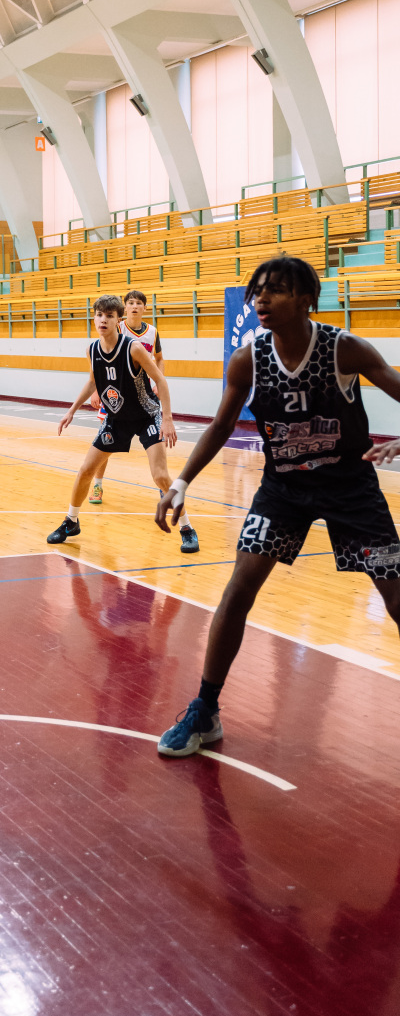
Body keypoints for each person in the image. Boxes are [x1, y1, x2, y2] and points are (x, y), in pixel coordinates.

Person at [154, 255, 400, 757]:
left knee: (398, 600)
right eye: (258, 290)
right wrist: (181, 481)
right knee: (238, 590)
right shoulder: (248, 359)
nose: (262, 299)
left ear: (306, 299)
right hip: (283, 490)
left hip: (351, 489)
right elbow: (222, 425)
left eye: (277, 290)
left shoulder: (344, 348)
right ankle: (205, 709)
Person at [47, 294, 199, 553]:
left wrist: (168, 419)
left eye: (109, 316)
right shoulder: (92, 350)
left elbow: (160, 380)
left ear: (118, 321)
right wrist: (72, 410)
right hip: (116, 418)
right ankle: (71, 521)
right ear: (94, 318)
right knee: (86, 470)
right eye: (99, 315)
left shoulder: (133, 348)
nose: (103, 320)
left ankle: (187, 528)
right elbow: (93, 381)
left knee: (160, 475)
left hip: (147, 415)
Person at [88, 290, 163, 506]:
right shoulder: (116, 326)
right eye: (130, 303)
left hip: (143, 396)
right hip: (115, 393)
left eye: (138, 303)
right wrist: (96, 389)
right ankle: (98, 484)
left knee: (155, 444)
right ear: (124, 308)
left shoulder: (152, 332)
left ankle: (163, 485)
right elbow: (99, 359)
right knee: (104, 442)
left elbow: (159, 358)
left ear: (144, 307)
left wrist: (158, 381)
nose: (134, 306)